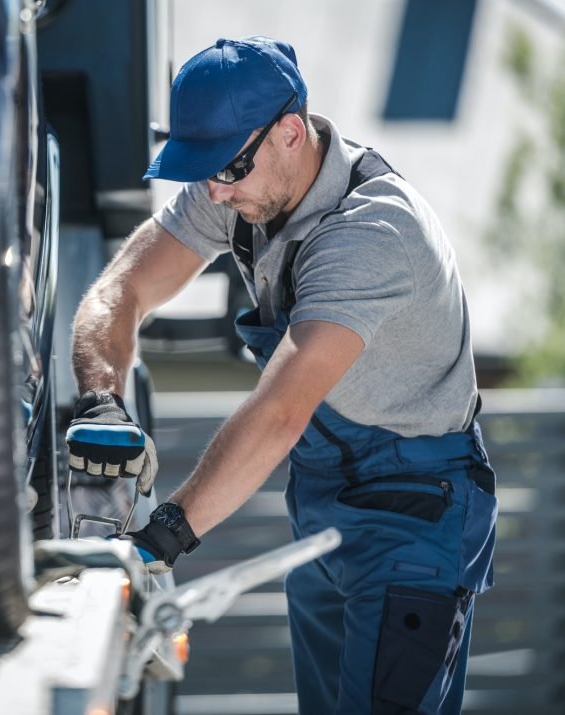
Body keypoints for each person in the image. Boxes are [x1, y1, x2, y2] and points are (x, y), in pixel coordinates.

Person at [65, 36, 498, 714]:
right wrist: (101, 403)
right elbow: (117, 294)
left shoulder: (372, 234)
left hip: (416, 516)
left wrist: (161, 540)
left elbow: (280, 413)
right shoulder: (240, 181)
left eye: (227, 168)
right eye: (202, 170)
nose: (213, 189)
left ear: (291, 134)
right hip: (326, 501)